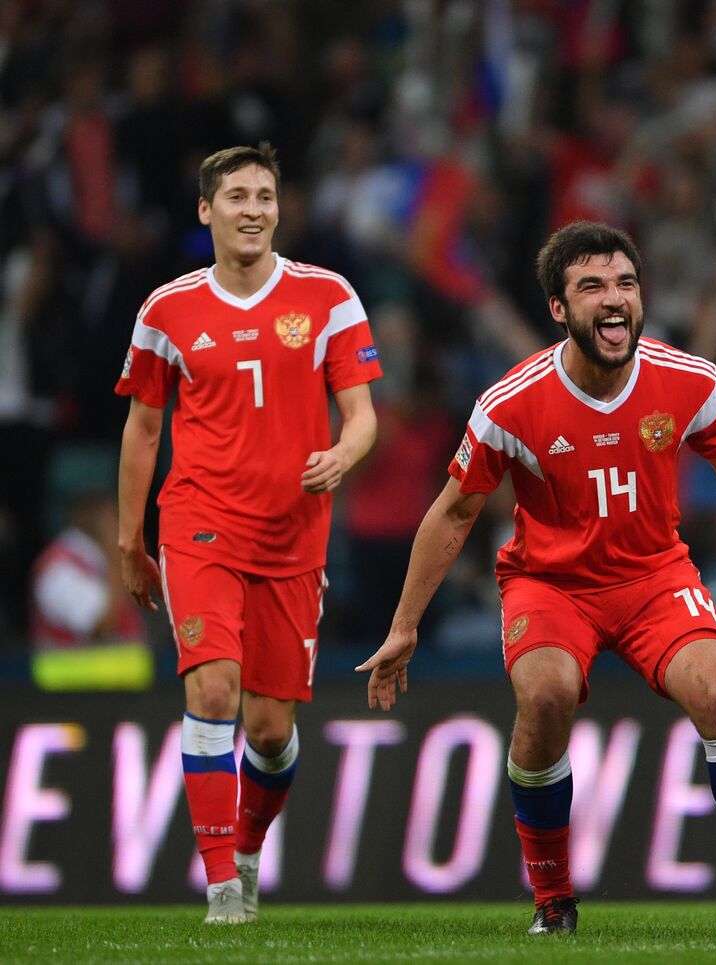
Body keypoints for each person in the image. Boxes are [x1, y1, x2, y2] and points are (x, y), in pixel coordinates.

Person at [356, 221, 716, 936]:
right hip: (550, 583)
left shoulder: (687, 378)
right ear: (559, 309)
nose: (614, 298)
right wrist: (405, 625)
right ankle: (554, 901)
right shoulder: (511, 402)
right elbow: (454, 512)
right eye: (592, 286)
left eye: (625, 283)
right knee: (544, 698)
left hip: (655, 575)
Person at [115, 143, 380, 924]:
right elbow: (143, 429)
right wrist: (131, 539)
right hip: (199, 522)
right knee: (214, 690)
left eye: (265, 195)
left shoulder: (328, 296)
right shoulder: (167, 310)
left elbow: (363, 414)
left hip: (294, 536)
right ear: (207, 210)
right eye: (237, 196)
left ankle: (250, 848)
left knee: (268, 731)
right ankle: (221, 886)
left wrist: (343, 454)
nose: (254, 209)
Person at [30, 489, 152, 690]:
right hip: (72, 693)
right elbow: (102, 626)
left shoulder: (96, 561)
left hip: (113, 690)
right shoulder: (60, 568)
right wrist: (116, 552)